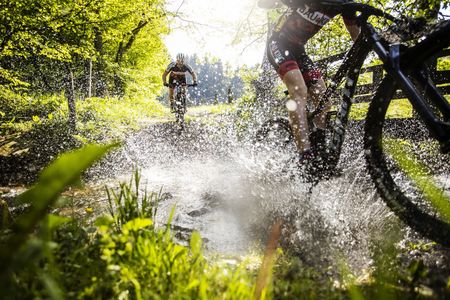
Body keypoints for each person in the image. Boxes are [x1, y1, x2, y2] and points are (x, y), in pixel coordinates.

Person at [258, 0, 360, 170]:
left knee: (324, 102)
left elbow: (357, 38)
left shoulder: (343, 3)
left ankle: (319, 152)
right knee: (299, 90)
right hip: (278, 44)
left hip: (299, 51)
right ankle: (304, 156)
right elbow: (263, 4)